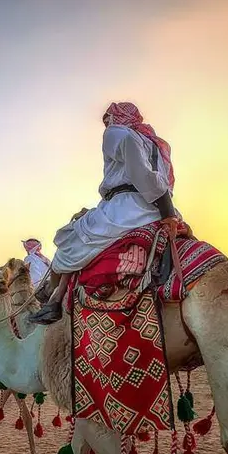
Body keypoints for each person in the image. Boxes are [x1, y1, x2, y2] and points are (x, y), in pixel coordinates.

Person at [30, 101, 180, 324]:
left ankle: (53, 299)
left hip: (127, 210)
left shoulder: (118, 133)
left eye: (108, 118)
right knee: (81, 228)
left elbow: (141, 173)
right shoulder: (156, 143)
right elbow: (159, 180)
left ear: (117, 117)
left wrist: (164, 208)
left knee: (67, 240)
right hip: (158, 207)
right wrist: (167, 211)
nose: (106, 124)